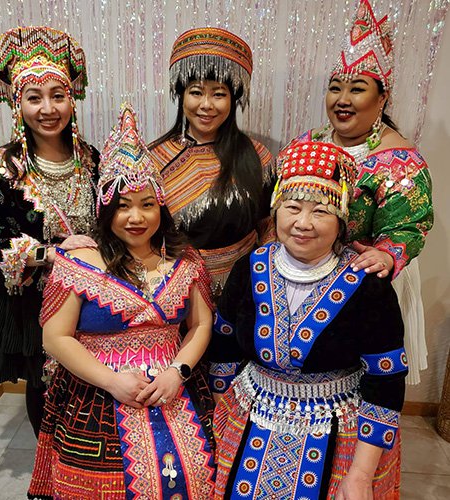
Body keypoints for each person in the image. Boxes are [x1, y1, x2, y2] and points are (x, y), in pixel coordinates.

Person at [28, 103, 216, 499]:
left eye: (147, 204)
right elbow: (55, 338)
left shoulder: (186, 260)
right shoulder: (79, 261)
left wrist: (177, 372)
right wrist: (113, 381)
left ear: (162, 206)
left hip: (173, 384)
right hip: (97, 391)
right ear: (105, 210)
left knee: (197, 475)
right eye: (123, 206)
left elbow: (200, 325)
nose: (136, 217)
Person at [211, 141, 407, 499]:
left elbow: (386, 379)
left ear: (341, 220)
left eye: (320, 211)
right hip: (248, 415)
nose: (303, 223)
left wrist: (362, 473)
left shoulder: (367, 284)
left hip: (339, 430)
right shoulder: (250, 267)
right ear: (275, 211)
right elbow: (223, 342)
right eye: (292, 207)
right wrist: (220, 412)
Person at [292, 0, 433, 384]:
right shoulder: (308, 143)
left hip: (369, 277)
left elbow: (408, 226)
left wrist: (386, 256)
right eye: (335, 88)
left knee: (366, 380)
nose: (342, 99)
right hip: (309, 270)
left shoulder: (398, 159)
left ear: (382, 98)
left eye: (357, 89)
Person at [0, 26, 98, 436]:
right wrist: (51, 254)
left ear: (71, 100)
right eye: (34, 97)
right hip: (31, 295)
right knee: (43, 381)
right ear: (17, 104)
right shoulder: (4, 166)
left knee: (87, 376)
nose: (48, 108)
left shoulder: (90, 158)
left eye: (57, 95)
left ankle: (80, 460)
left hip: (88, 289)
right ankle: (48, 464)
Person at [149, 27, 274, 300]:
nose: (206, 105)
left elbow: (269, 224)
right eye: (196, 92)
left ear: (234, 98)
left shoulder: (257, 155)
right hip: (178, 292)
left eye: (218, 94)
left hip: (247, 292)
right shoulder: (153, 159)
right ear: (181, 96)